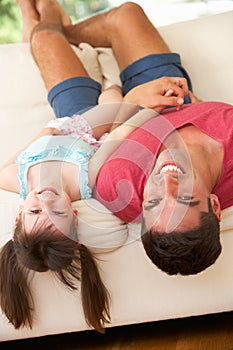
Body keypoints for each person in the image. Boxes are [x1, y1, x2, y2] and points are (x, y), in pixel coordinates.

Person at [0, 0, 189, 332]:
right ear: (74, 214)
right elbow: (119, 127)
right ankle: (48, 18)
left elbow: (10, 168)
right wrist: (121, 95)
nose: (44, 200)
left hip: (70, 118)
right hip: (108, 116)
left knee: (44, 38)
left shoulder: (21, 181)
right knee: (123, 15)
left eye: (34, 213)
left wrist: (48, 132)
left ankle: (42, 17)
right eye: (55, 213)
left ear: (19, 213)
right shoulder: (90, 179)